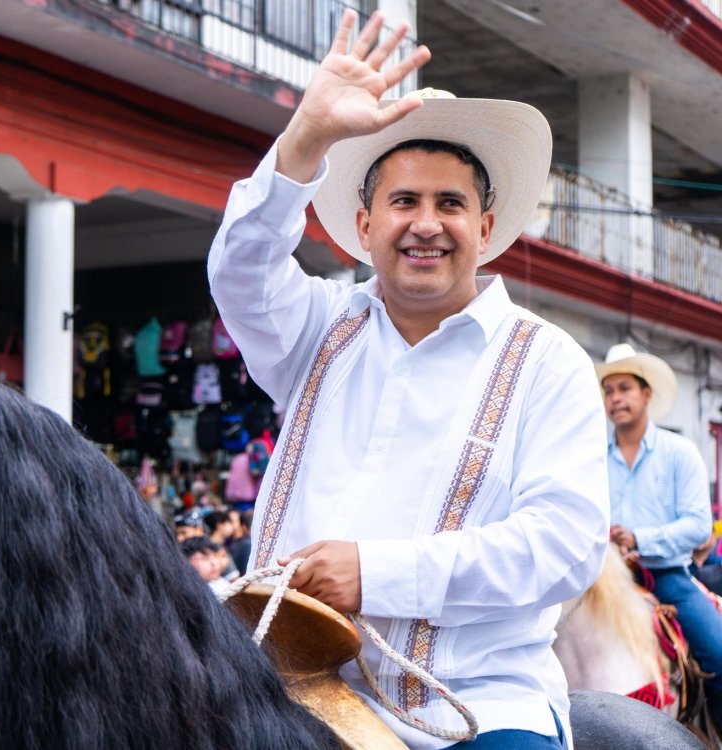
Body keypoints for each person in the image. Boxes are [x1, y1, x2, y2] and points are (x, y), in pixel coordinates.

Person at [207, 9, 609, 749]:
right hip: (282, 688)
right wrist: (306, 136)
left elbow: (564, 546)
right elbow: (239, 272)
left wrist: (374, 573)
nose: (427, 223)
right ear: (366, 228)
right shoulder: (318, 328)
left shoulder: (547, 362)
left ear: (484, 229)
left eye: (450, 203)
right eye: (404, 202)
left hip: (475, 709)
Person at [597, 342, 722, 729]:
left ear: (646, 393)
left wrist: (638, 539)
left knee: (719, 656)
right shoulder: (593, 458)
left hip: (666, 578)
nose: (615, 398)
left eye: (624, 388)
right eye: (609, 390)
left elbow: (698, 524)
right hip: (600, 581)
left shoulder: (679, 452)